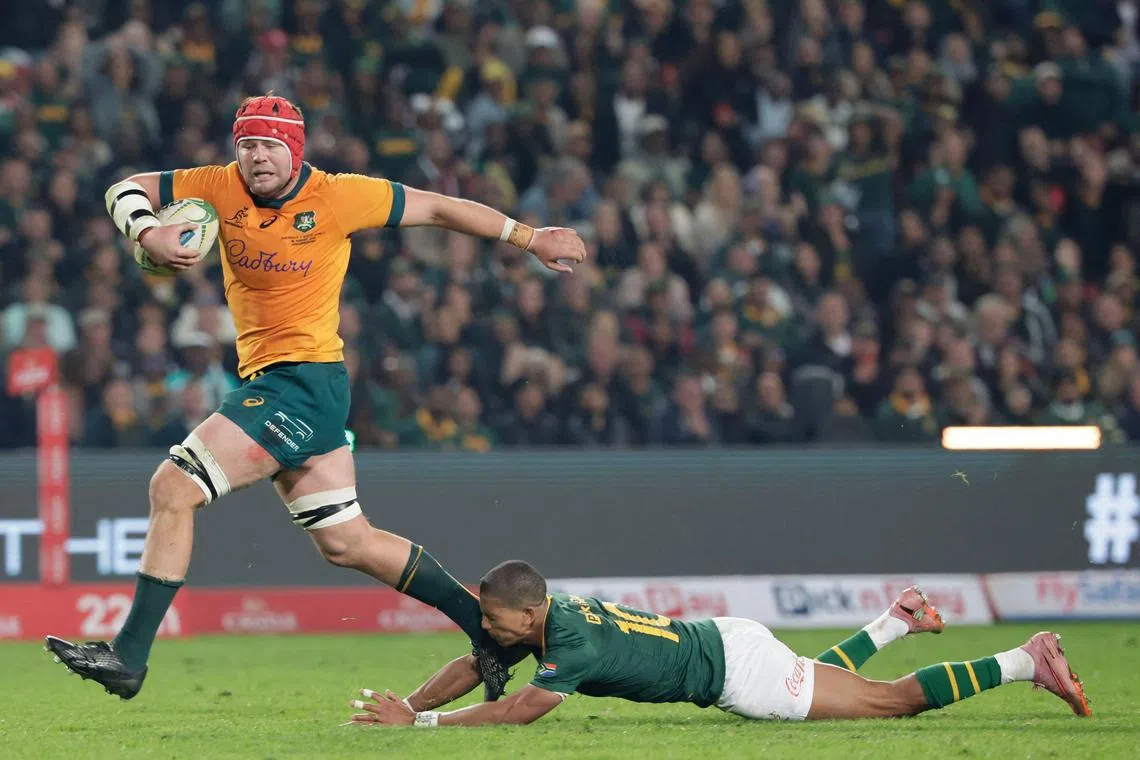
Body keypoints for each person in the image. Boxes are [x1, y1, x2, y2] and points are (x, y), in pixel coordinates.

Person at [45, 94, 586, 701]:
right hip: (280, 384)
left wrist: (528, 235)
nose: (256, 157)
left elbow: (436, 207)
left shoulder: (336, 195)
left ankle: (129, 657)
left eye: (270, 145)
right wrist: (148, 229)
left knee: (173, 488)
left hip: (301, 381)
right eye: (246, 144)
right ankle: (492, 636)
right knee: (347, 542)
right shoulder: (214, 186)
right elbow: (127, 186)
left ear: (294, 149)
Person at [346, 560, 1090, 728]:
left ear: (529, 613)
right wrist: (408, 703)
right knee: (824, 679)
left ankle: (1028, 658)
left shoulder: (567, 648)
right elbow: (473, 662)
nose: (491, 632)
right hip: (731, 639)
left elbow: (518, 713)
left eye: (498, 622)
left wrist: (422, 724)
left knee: (885, 706)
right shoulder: (551, 613)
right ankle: (896, 619)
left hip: (741, 672)